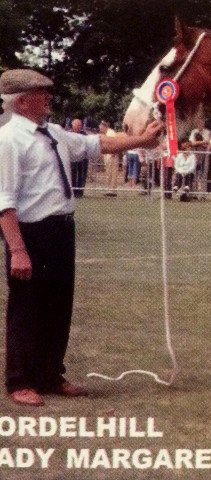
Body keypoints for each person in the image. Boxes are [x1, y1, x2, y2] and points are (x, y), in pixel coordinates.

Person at [0, 68, 163, 406]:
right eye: (43, 93)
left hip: (61, 229)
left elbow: (96, 144)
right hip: (31, 233)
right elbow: (4, 202)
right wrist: (17, 249)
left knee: (58, 305)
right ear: (23, 101)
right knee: (26, 307)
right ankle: (20, 380)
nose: (49, 98)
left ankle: (49, 374)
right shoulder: (8, 141)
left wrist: (142, 141)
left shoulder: (53, 133)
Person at [99, 120, 119, 197]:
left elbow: (114, 144)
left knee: (112, 173)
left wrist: (113, 153)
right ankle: (109, 189)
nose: (100, 130)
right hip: (107, 156)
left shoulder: (111, 133)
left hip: (112, 156)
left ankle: (112, 190)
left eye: (101, 128)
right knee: (108, 173)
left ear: (105, 126)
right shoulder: (106, 133)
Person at [69, 118, 88, 198]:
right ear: (72, 125)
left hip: (83, 157)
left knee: (82, 174)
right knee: (72, 173)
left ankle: (80, 192)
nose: (78, 127)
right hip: (73, 157)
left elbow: (87, 146)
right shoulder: (68, 134)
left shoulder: (84, 135)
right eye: (76, 125)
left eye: (80, 125)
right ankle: (72, 191)